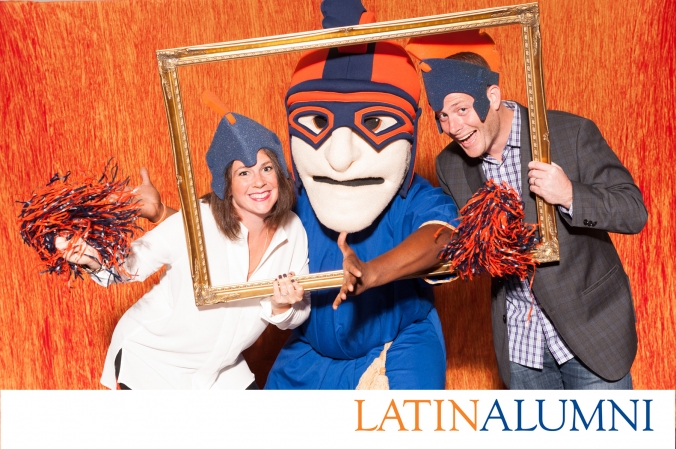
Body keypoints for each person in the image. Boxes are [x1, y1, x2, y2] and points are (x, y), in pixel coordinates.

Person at [419, 51, 648, 389]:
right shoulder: (449, 165)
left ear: (492, 96)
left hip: (590, 333)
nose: (453, 127)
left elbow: (633, 211)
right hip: (521, 350)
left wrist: (570, 194)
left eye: (462, 110)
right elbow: (459, 244)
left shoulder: (570, 133)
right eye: (442, 116)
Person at [263, 0, 459, 390]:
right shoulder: (290, 193)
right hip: (310, 354)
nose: (339, 158)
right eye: (317, 121)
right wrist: (165, 213)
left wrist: (372, 272)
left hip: (396, 349)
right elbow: (226, 225)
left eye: (374, 122)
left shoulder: (413, 196)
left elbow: (444, 236)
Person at [58, 112, 310, 390]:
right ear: (226, 183)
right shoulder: (198, 220)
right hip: (153, 362)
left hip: (220, 371)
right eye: (244, 172)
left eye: (266, 168)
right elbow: (132, 265)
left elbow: (299, 312)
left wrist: (282, 305)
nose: (259, 182)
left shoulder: (294, 230)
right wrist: (92, 258)